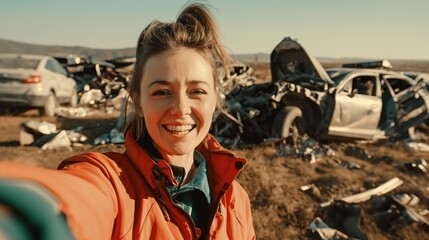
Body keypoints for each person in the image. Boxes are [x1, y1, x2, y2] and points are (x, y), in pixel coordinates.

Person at [0, 3, 255, 240]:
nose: (180, 108)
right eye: (162, 92)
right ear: (139, 102)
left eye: (197, 91)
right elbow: (69, 202)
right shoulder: (111, 183)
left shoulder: (236, 198)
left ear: (215, 100)